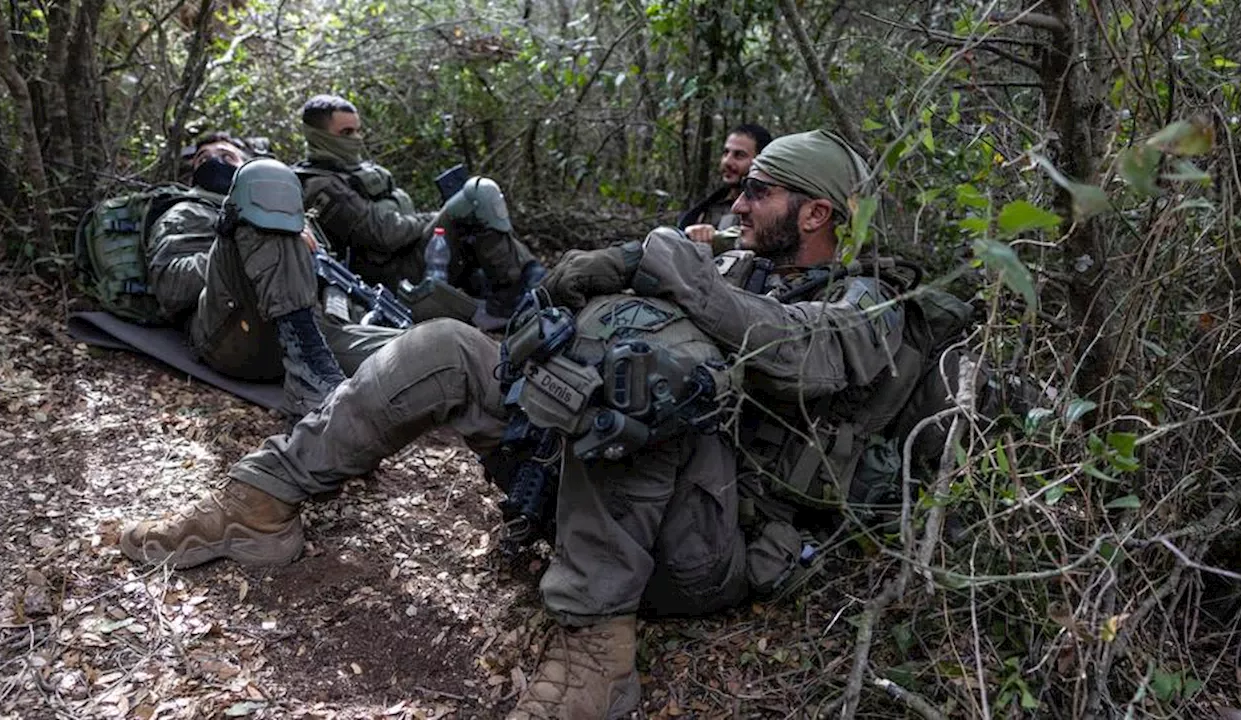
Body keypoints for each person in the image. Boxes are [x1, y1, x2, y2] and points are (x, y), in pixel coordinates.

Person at [120, 130, 941, 719]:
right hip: (603, 490)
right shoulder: (736, 256)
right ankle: (262, 503)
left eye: (759, 190)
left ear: (816, 215)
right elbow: (608, 295)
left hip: (710, 545)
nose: (739, 198)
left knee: (641, 390)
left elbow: (812, 357)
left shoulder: (875, 304)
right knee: (442, 347)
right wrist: (620, 267)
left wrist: (688, 282)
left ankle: (597, 653)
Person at [147, 132, 403, 416]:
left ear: (243, 161)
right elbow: (170, 286)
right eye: (203, 159)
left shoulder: (296, 213)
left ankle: (313, 367)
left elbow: (329, 278)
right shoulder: (185, 211)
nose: (214, 162)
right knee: (263, 191)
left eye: (227, 156)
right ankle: (309, 383)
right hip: (235, 331)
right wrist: (239, 233)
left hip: (317, 332)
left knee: (436, 346)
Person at [294, 94, 544, 318]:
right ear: (319, 136)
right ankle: (514, 300)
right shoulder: (320, 185)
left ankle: (528, 285)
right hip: (392, 279)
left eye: (358, 131)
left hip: (415, 257)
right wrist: (440, 216)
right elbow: (384, 234)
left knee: (474, 214)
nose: (357, 139)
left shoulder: (356, 171)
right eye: (346, 133)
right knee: (479, 193)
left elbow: (401, 218)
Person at [677, 123, 772, 251]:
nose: (727, 162)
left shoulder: (770, 208)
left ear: (760, 160)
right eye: (726, 153)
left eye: (739, 155)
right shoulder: (709, 206)